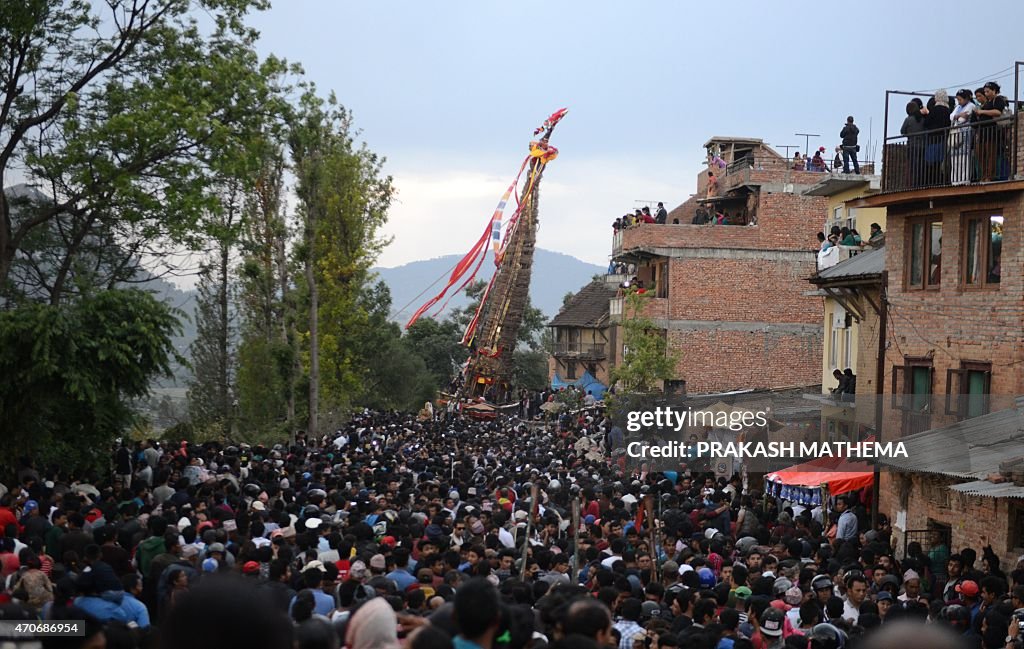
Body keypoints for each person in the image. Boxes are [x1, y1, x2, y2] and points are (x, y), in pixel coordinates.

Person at [976, 81, 1009, 182]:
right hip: (982, 133)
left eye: (988, 91)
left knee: (990, 154)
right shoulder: (987, 103)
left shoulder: (998, 100)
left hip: (992, 132)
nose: (986, 93)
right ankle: (984, 175)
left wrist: (982, 112)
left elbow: (997, 112)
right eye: (985, 91)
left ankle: (989, 176)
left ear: (994, 91)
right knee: (980, 154)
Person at [949, 89, 977, 186]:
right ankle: (955, 180)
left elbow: (962, 119)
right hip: (957, 133)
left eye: (960, 99)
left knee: (964, 157)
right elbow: (951, 116)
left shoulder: (971, 106)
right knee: (954, 157)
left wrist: (956, 116)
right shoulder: (958, 107)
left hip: (966, 133)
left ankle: (964, 179)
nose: (958, 101)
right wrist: (958, 115)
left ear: (966, 98)